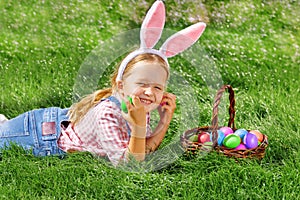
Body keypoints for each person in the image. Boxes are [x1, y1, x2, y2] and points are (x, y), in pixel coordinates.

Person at [0, 1, 206, 166]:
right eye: (142, 83)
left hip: (54, 123)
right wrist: (140, 127)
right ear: (121, 84)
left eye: (158, 87)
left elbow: (141, 150)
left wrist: (163, 122)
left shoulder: (138, 105)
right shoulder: (108, 113)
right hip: (39, 136)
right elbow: (131, 166)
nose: (150, 92)